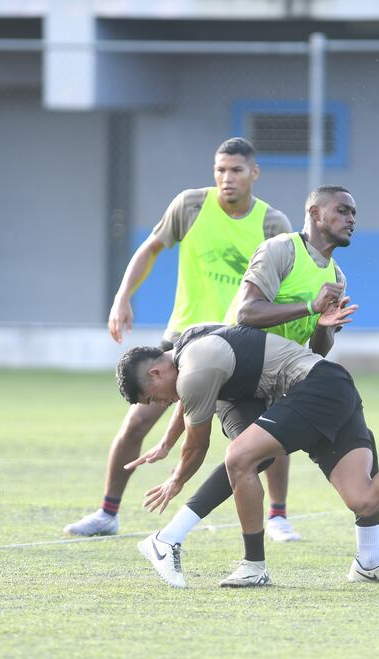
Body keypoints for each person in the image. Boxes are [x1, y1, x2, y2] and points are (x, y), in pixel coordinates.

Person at [116, 323, 379, 589]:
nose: (161, 404)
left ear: (157, 372)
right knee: (364, 499)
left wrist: (176, 480)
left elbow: (196, 444)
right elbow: (192, 403)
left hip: (313, 389)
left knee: (240, 457)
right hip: (335, 387)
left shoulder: (193, 373)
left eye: (153, 397)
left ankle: (243, 563)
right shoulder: (192, 342)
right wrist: (167, 444)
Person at [63, 138, 300, 541]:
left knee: (267, 429)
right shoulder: (190, 206)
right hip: (182, 339)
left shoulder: (272, 223)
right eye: (220, 169)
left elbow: (287, 282)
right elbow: (151, 248)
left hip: (240, 342)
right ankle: (107, 513)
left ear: (254, 173)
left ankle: (277, 516)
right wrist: (122, 296)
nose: (227, 178)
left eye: (236, 170)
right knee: (138, 421)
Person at [122, 185, 356, 556]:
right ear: (315, 213)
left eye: (353, 213)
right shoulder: (281, 249)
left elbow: (317, 350)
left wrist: (326, 323)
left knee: (258, 456)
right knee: (248, 456)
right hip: (238, 375)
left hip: (276, 377)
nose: (351, 219)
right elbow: (247, 314)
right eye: (342, 210)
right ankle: (176, 538)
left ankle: (253, 545)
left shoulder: (337, 276)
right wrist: (310, 307)